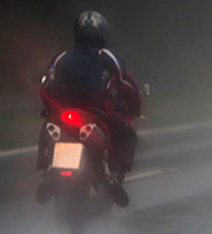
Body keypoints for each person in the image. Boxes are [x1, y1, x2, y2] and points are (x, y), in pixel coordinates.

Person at [35, 11, 141, 207]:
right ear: (102, 34)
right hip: (97, 114)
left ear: (77, 32)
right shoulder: (109, 57)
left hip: (63, 114)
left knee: (48, 126)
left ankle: (47, 171)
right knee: (128, 135)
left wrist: (50, 110)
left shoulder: (61, 57)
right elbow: (127, 85)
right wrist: (135, 107)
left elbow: (46, 86)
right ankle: (114, 177)